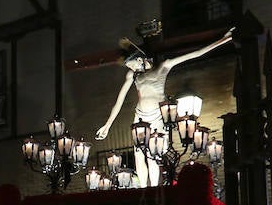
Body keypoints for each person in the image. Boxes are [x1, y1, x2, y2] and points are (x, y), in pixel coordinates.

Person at [95, 29, 236, 188]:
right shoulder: (133, 76)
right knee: (138, 154)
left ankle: (153, 188)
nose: (132, 69)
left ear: (141, 60)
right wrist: (108, 124)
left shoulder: (163, 67)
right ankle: (142, 188)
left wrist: (223, 40)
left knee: (152, 153)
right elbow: (119, 101)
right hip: (140, 116)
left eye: (132, 65)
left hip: (157, 115)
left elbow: (196, 53)